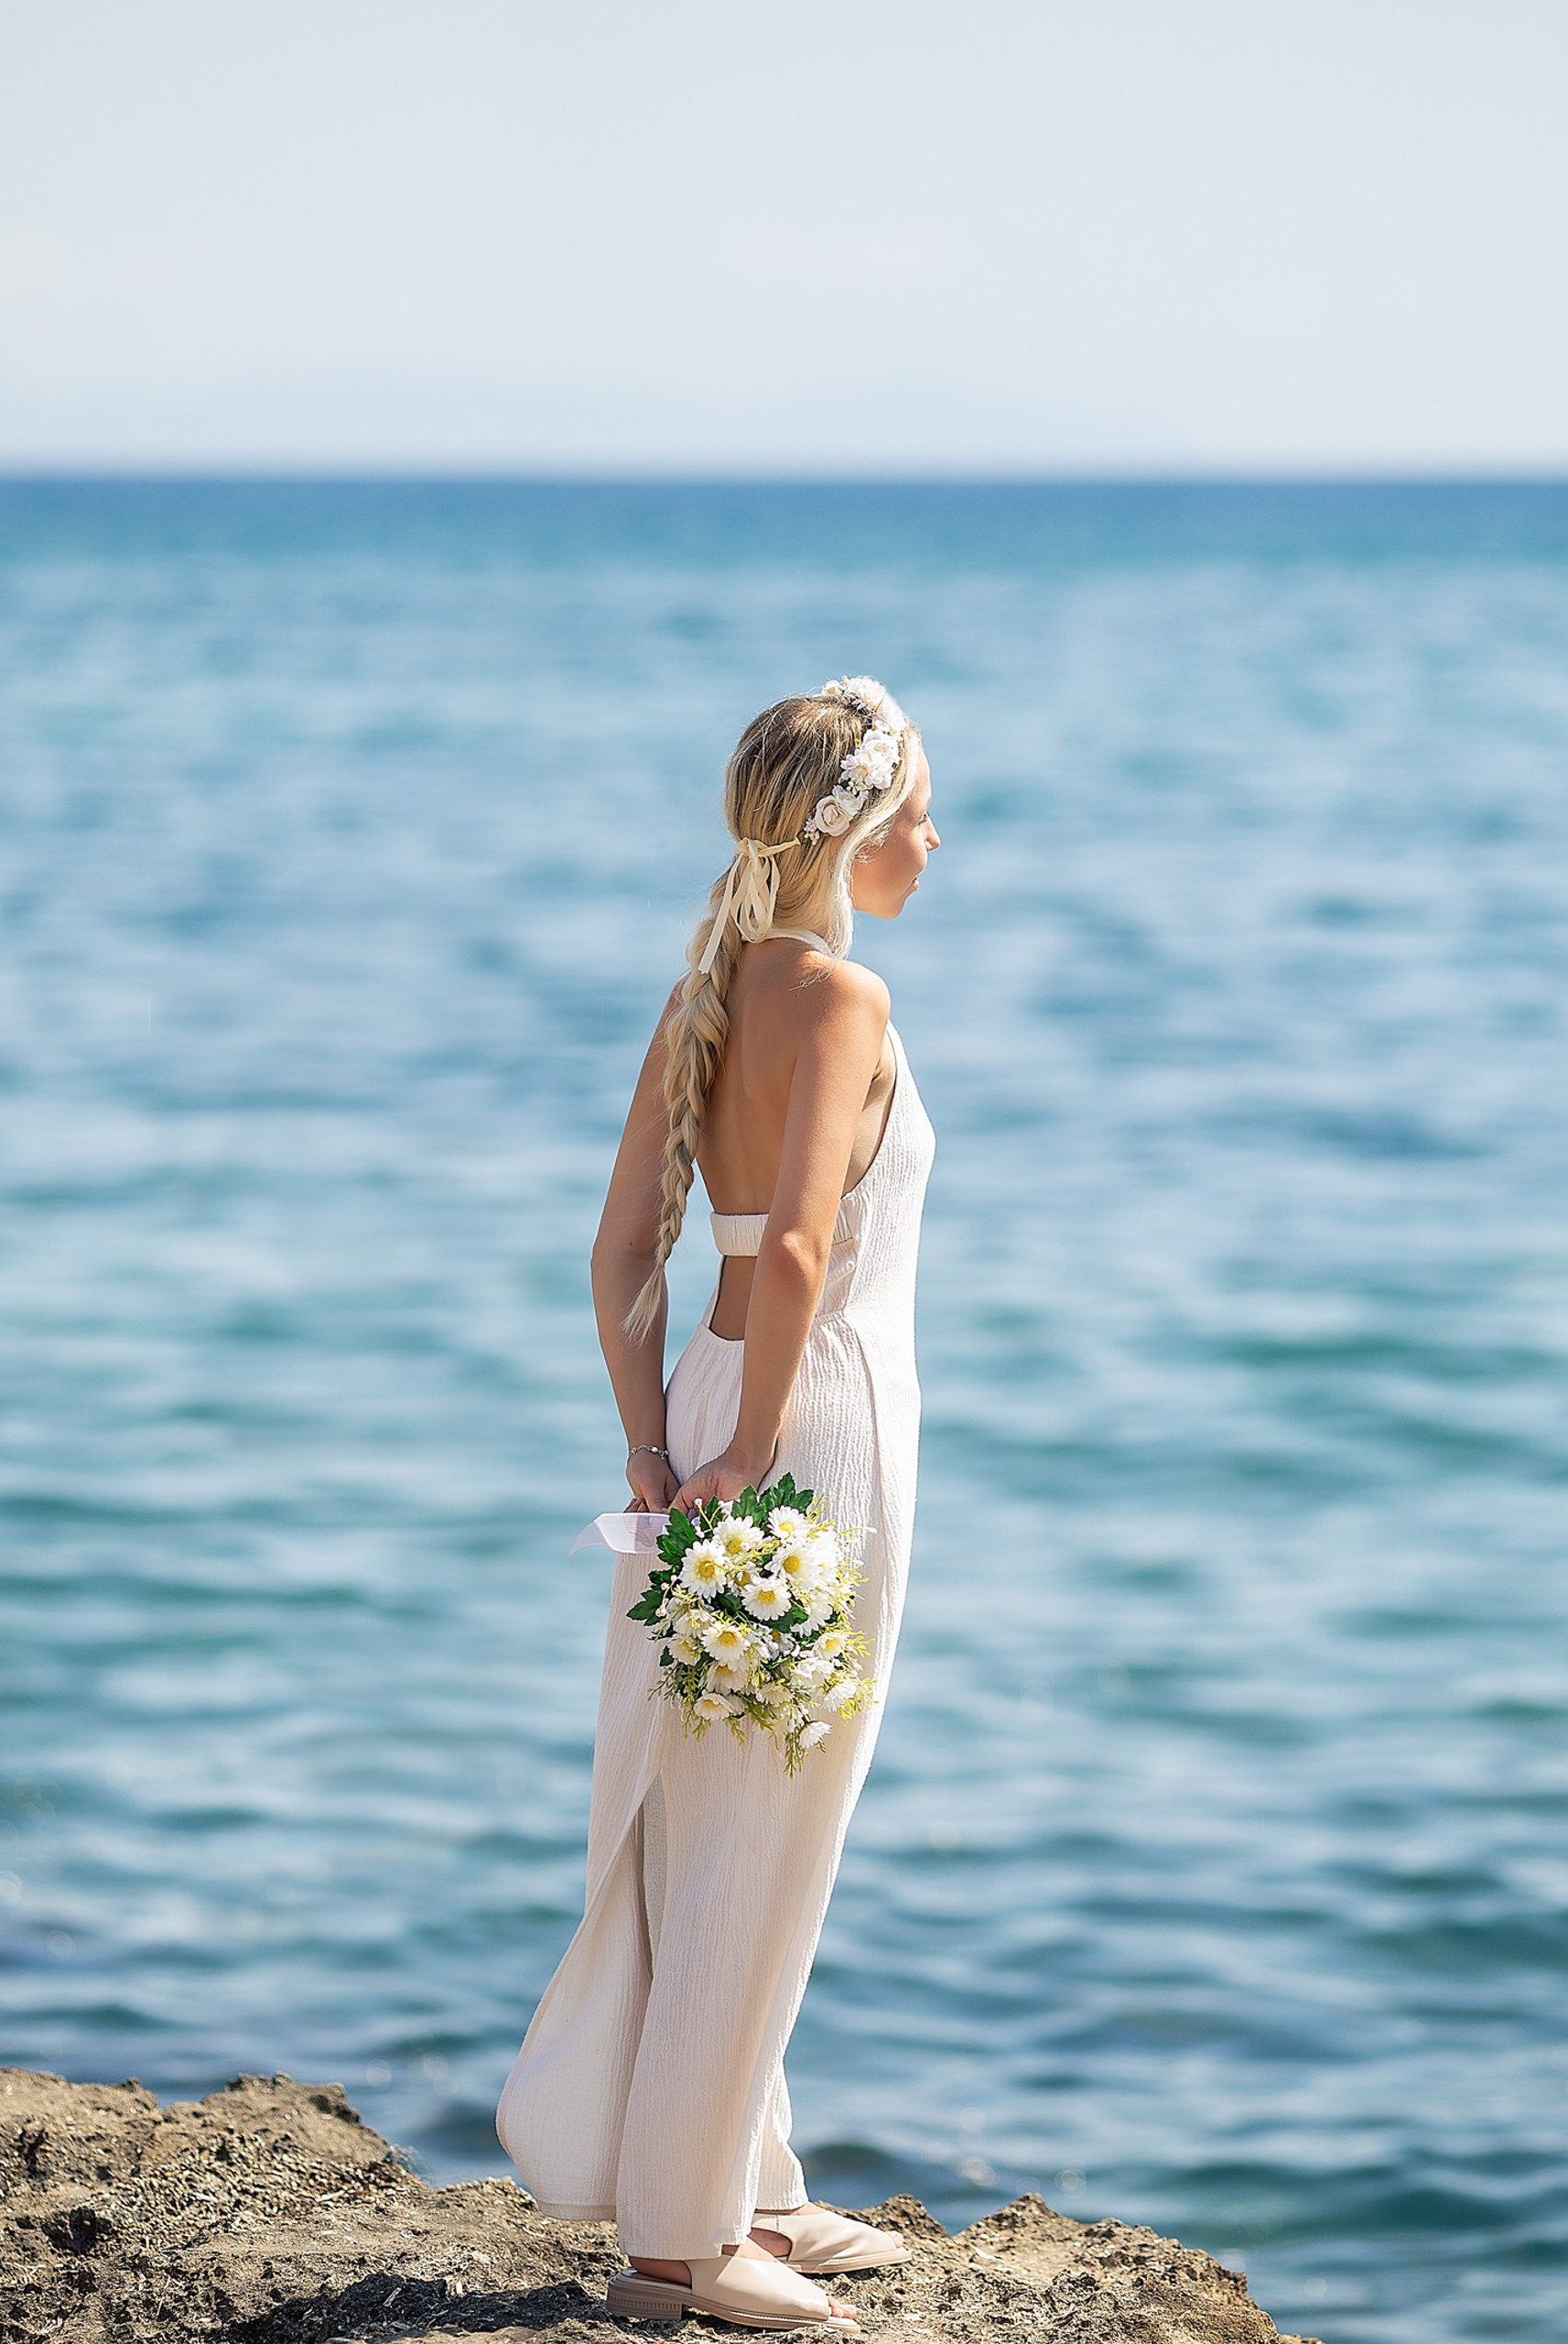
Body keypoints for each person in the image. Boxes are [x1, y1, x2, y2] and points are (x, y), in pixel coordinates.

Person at [499, 678, 940, 2333]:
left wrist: (651, 1441)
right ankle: (679, 2249)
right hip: (808, 1430)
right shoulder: (842, 1000)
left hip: (710, 1402)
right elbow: (810, 1247)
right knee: (767, 1822)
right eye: (914, 813)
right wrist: (754, 1454)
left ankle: (742, 2176)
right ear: (848, 829)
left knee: (718, 1808)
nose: (933, 839)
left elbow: (625, 1251)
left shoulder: (707, 995)